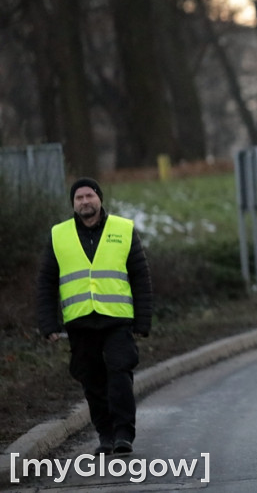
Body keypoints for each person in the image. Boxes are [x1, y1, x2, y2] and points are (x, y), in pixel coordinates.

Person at [36, 178, 153, 456]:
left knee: (119, 373)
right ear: (73, 204)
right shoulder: (59, 234)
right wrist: (48, 324)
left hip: (117, 319)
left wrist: (143, 321)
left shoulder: (123, 229)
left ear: (99, 198)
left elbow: (140, 277)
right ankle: (106, 435)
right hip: (80, 322)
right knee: (92, 381)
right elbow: (46, 282)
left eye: (89, 195)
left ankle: (123, 434)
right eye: (79, 198)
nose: (85, 201)